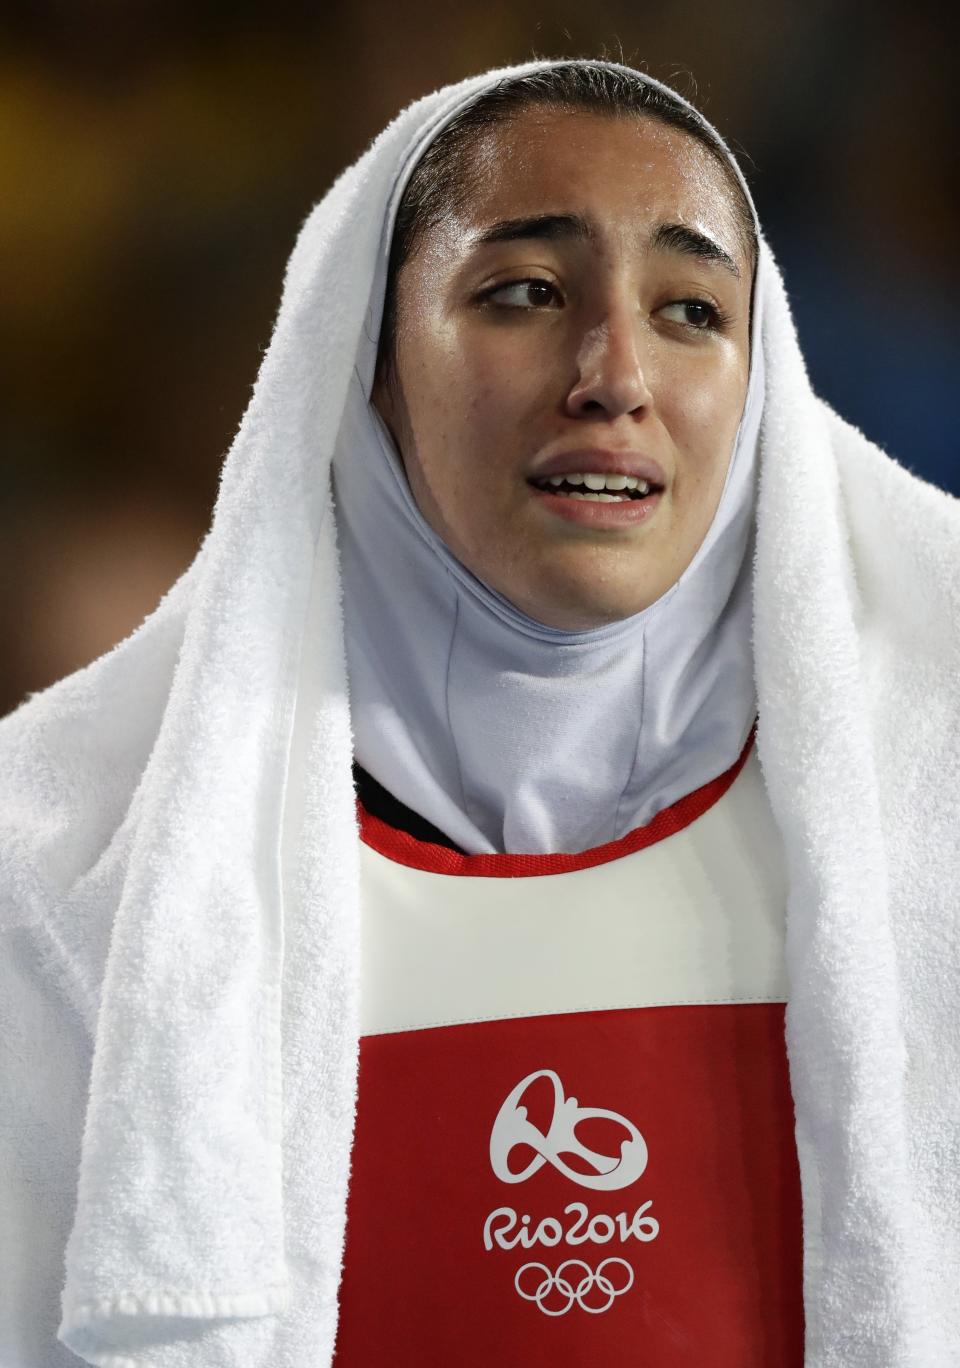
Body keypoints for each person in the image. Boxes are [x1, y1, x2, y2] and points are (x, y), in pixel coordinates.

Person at [0, 57, 957, 1368]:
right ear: (364, 360)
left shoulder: (932, 842)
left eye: (690, 309)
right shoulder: (56, 884)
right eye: (524, 292)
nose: (616, 374)